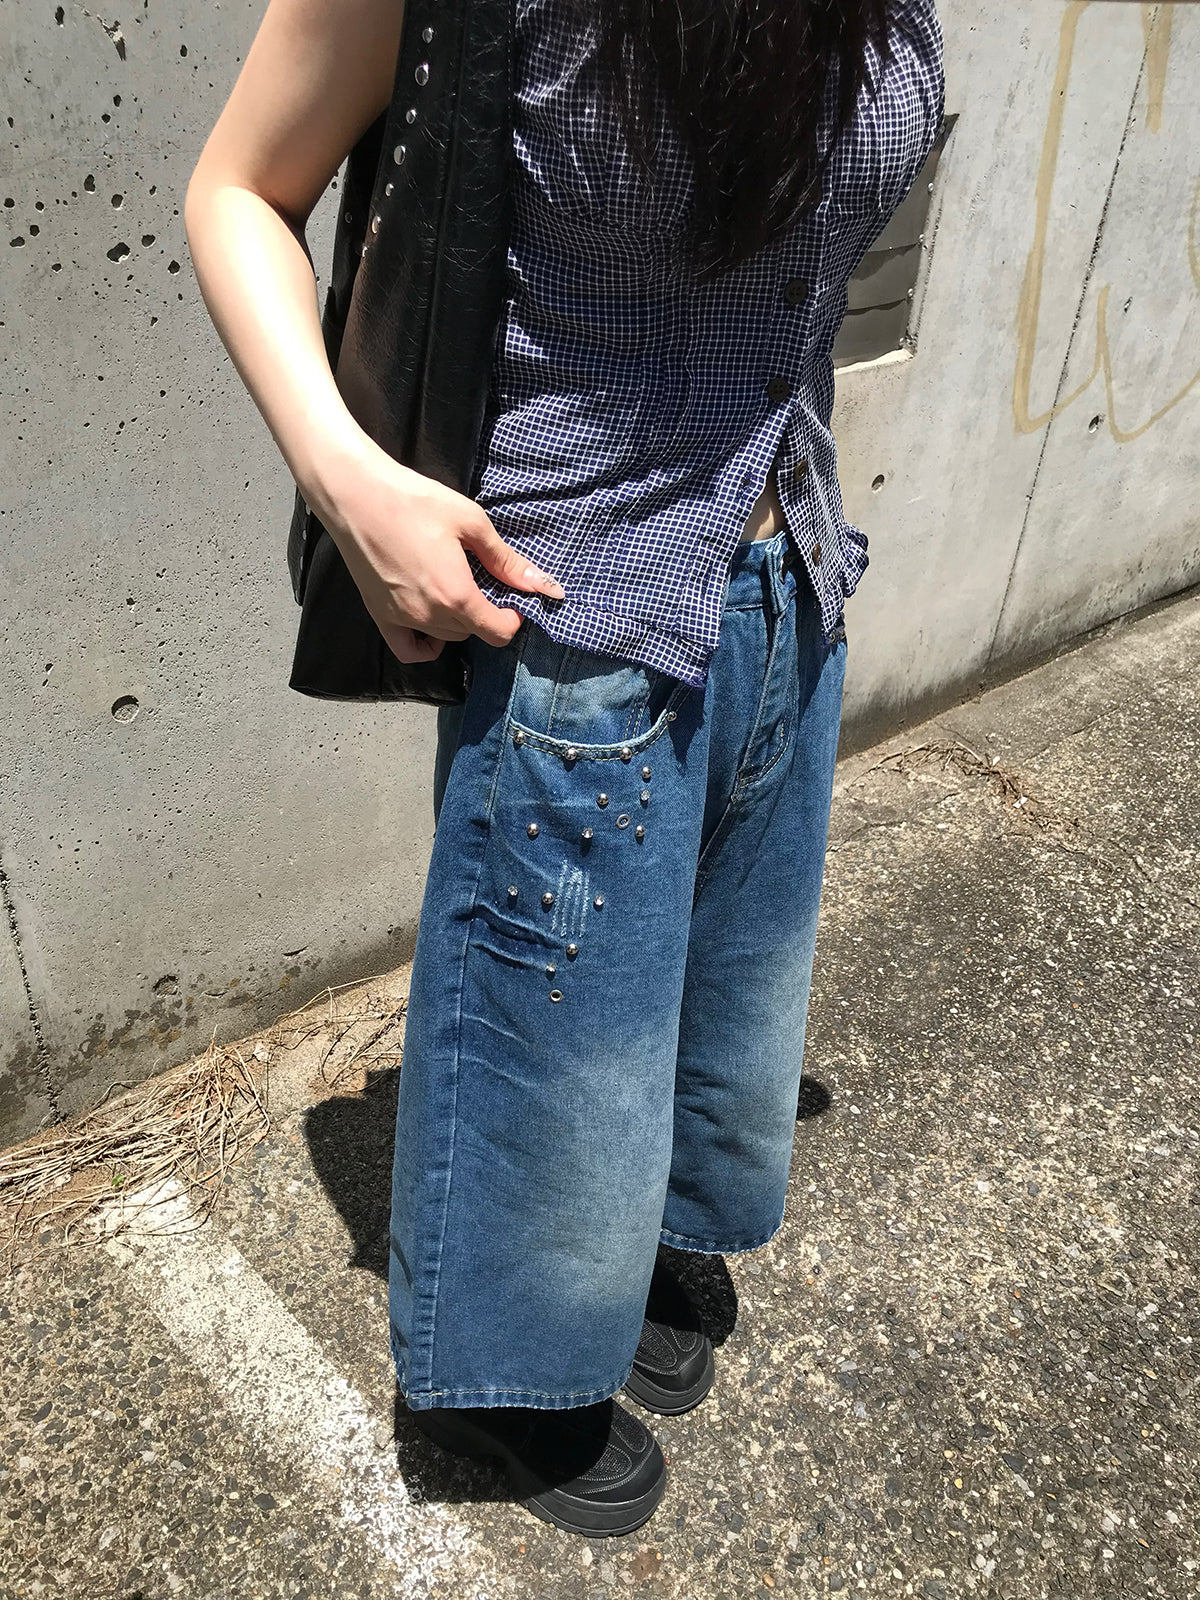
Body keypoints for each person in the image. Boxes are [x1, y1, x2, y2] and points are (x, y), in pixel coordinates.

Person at [186, 0, 944, 1541]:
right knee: (557, 1052)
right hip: (577, 615)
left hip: (789, 577)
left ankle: (639, 1231)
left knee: (724, 998)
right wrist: (351, 483)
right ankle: (506, 1371)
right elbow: (238, 189)